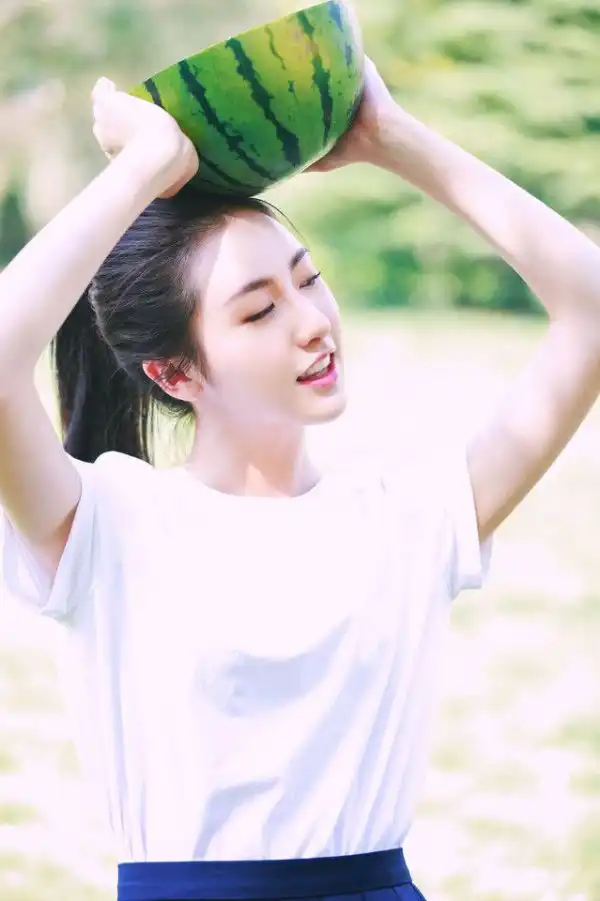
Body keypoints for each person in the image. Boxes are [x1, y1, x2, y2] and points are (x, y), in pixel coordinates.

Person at [1, 53, 599, 901]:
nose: (314, 321)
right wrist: (141, 171)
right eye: (260, 309)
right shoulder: (108, 521)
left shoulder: (407, 515)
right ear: (175, 372)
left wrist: (392, 138)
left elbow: (591, 312)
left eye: (311, 279)